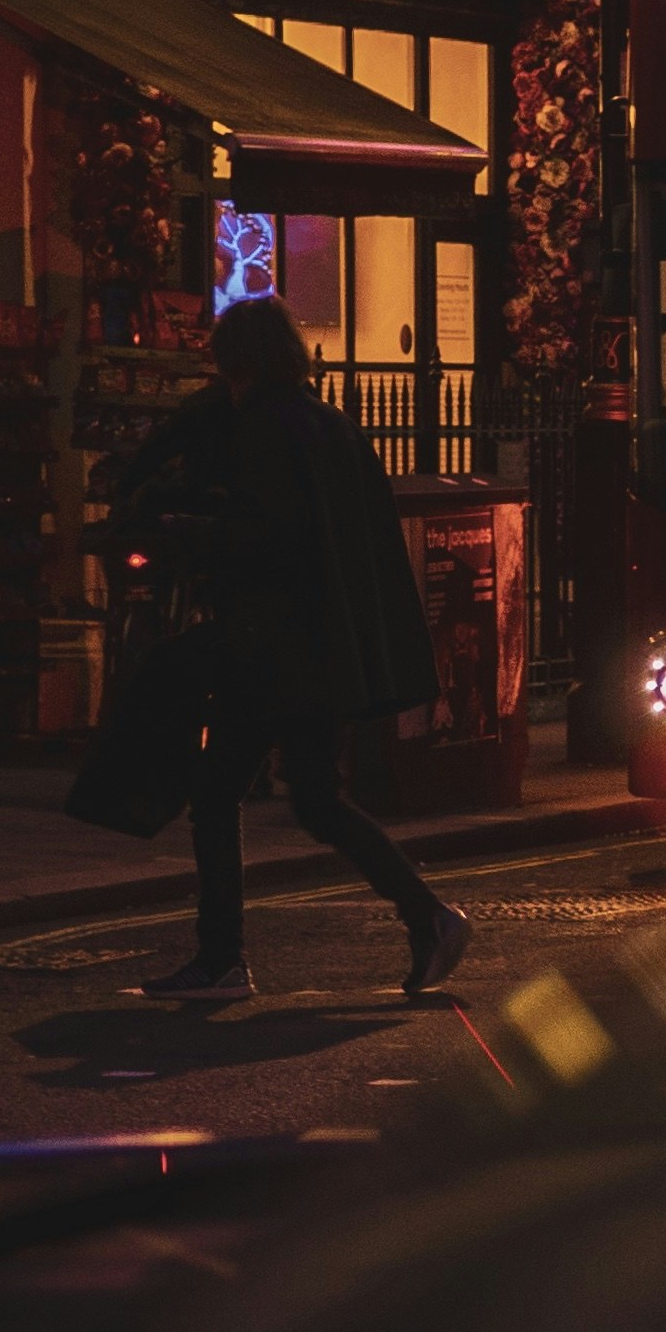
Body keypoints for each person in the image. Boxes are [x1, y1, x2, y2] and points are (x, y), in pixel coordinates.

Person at [129, 299, 468, 1002]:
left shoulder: (264, 429)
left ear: (237, 361)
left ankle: (221, 959)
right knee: (316, 800)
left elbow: (265, 536)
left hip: (271, 648)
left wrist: (189, 532)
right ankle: (427, 916)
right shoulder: (329, 424)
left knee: (216, 792)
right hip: (325, 649)